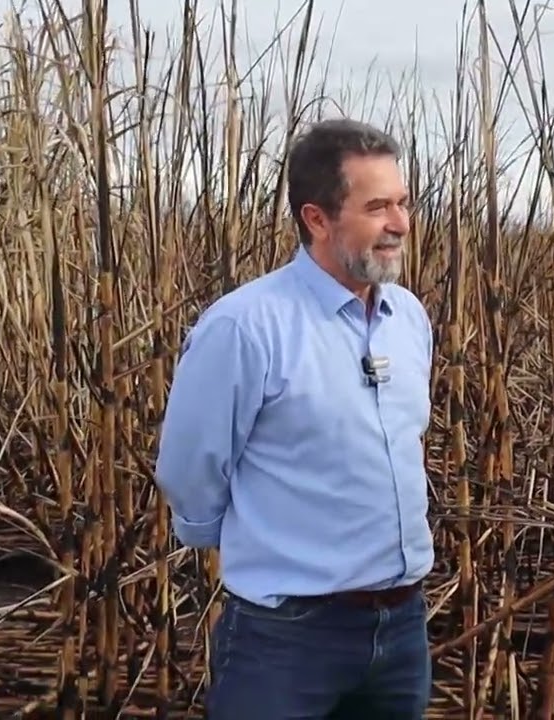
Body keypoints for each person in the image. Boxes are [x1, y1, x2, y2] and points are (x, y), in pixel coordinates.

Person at [153, 118, 435, 718]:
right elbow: (190, 468)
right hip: (286, 637)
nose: (399, 224)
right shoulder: (245, 326)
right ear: (317, 218)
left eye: (403, 203)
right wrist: (242, 545)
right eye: (376, 206)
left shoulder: (408, 318)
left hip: (402, 629)